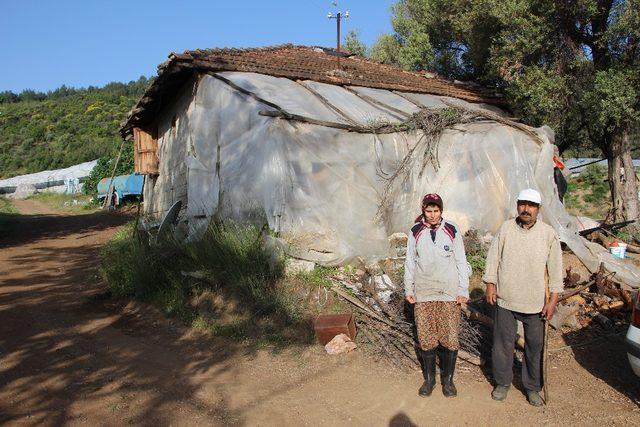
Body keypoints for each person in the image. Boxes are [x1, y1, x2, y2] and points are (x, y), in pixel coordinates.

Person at [482, 188, 563, 407]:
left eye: (531, 205)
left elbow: (556, 270)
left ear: (538, 209)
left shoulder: (548, 234)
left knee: (534, 346)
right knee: (502, 345)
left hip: (536, 303)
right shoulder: (506, 228)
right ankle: (503, 383)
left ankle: (532, 387)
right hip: (506, 298)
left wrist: (553, 300)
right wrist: (490, 284)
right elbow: (493, 258)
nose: (526, 209)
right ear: (517, 205)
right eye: (523, 204)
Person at [404, 193, 470, 398]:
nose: (432, 215)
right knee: (426, 337)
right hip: (424, 292)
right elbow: (410, 261)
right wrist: (409, 289)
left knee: (450, 337)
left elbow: (461, 260)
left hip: (448, 292)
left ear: (441, 211)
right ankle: (430, 380)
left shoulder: (451, 229)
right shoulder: (415, 231)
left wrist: (462, 290)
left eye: (436, 210)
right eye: (428, 211)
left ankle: (448, 381)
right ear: (423, 210)